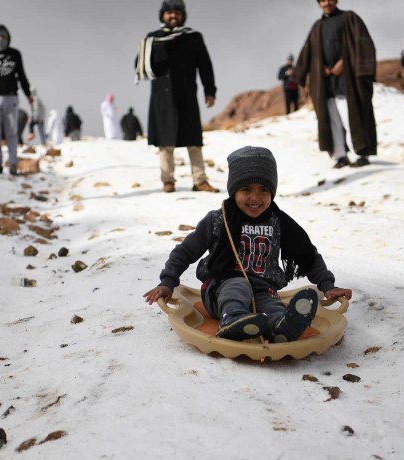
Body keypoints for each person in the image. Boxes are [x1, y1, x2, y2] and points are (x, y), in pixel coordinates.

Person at [144, 146, 352, 341]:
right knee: (237, 284)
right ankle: (232, 320)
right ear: (233, 191)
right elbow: (185, 251)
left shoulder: (279, 222)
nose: (255, 197)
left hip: (263, 289)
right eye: (246, 189)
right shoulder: (218, 220)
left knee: (272, 304)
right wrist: (167, 282)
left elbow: (307, 256)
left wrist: (328, 286)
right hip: (220, 290)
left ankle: (282, 326)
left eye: (264, 189)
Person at [135, 0, 219, 193]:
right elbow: (140, 65)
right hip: (162, 97)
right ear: (162, 15)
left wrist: (210, 91)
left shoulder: (193, 37)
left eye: (177, 13)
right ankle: (168, 181)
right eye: (169, 13)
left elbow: (205, 65)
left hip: (187, 94)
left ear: (183, 16)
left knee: (194, 139)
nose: (173, 16)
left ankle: (200, 180)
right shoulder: (152, 39)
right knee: (165, 140)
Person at [292, 0, 377, 169]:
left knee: (351, 115)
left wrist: (345, 63)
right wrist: (317, 68)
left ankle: (361, 154)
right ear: (318, 4)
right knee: (332, 120)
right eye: (322, 0)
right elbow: (308, 52)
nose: (327, 3)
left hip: (348, 80)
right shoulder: (317, 27)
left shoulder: (349, 18)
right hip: (326, 83)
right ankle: (340, 156)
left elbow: (363, 43)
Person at [0, 24, 33, 176]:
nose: (1, 39)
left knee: (12, 132)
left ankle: (13, 164)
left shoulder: (15, 54)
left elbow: (22, 76)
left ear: (8, 38)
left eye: (4, 36)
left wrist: (28, 94)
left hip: (10, 97)